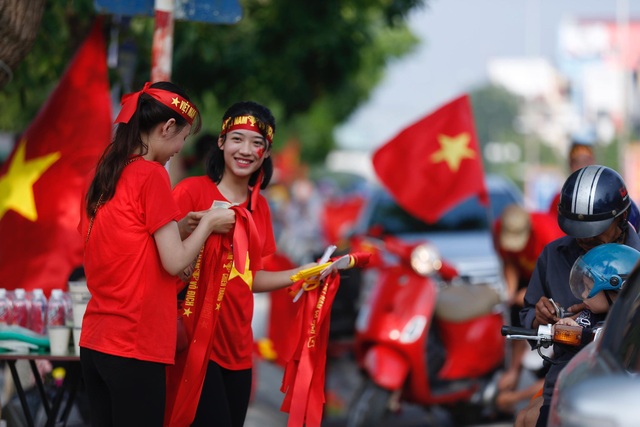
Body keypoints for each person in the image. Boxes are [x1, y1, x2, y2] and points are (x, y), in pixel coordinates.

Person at [79, 81, 234, 427]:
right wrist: (208, 223)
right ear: (166, 128)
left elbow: (129, 244)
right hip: (135, 343)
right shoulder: (151, 175)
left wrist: (181, 227)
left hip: (96, 342)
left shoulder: (109, 172)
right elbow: (176, 262)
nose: (181, 147)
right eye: (182, 136)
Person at [167, 101, 316, 427]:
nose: (245, 150)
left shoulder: (259, 207)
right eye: (237, 139)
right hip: (193, 343)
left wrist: (309, 274)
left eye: (256, 143)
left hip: (238, 347)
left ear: (266, 153)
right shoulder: (190, 192)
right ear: (221, 143)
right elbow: (167, 264)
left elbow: (253, 277)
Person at [518, 164, 640, 427]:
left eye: (594, 233)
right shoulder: (553, 255)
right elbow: (526, 317)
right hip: (567, 381)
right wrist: (540, 318)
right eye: (577, 233)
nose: (583, 241)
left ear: (621, 218)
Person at [492, 204, 564, 414]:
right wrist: (511, 292)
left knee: (546, 331)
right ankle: (511, 380)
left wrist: (530, 293)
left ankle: (517, 393)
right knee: (518, 323)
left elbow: (557, 279)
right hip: (526, 278)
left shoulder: (547, 233)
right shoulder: (498, 228)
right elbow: (509, 260)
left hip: (550, 281)